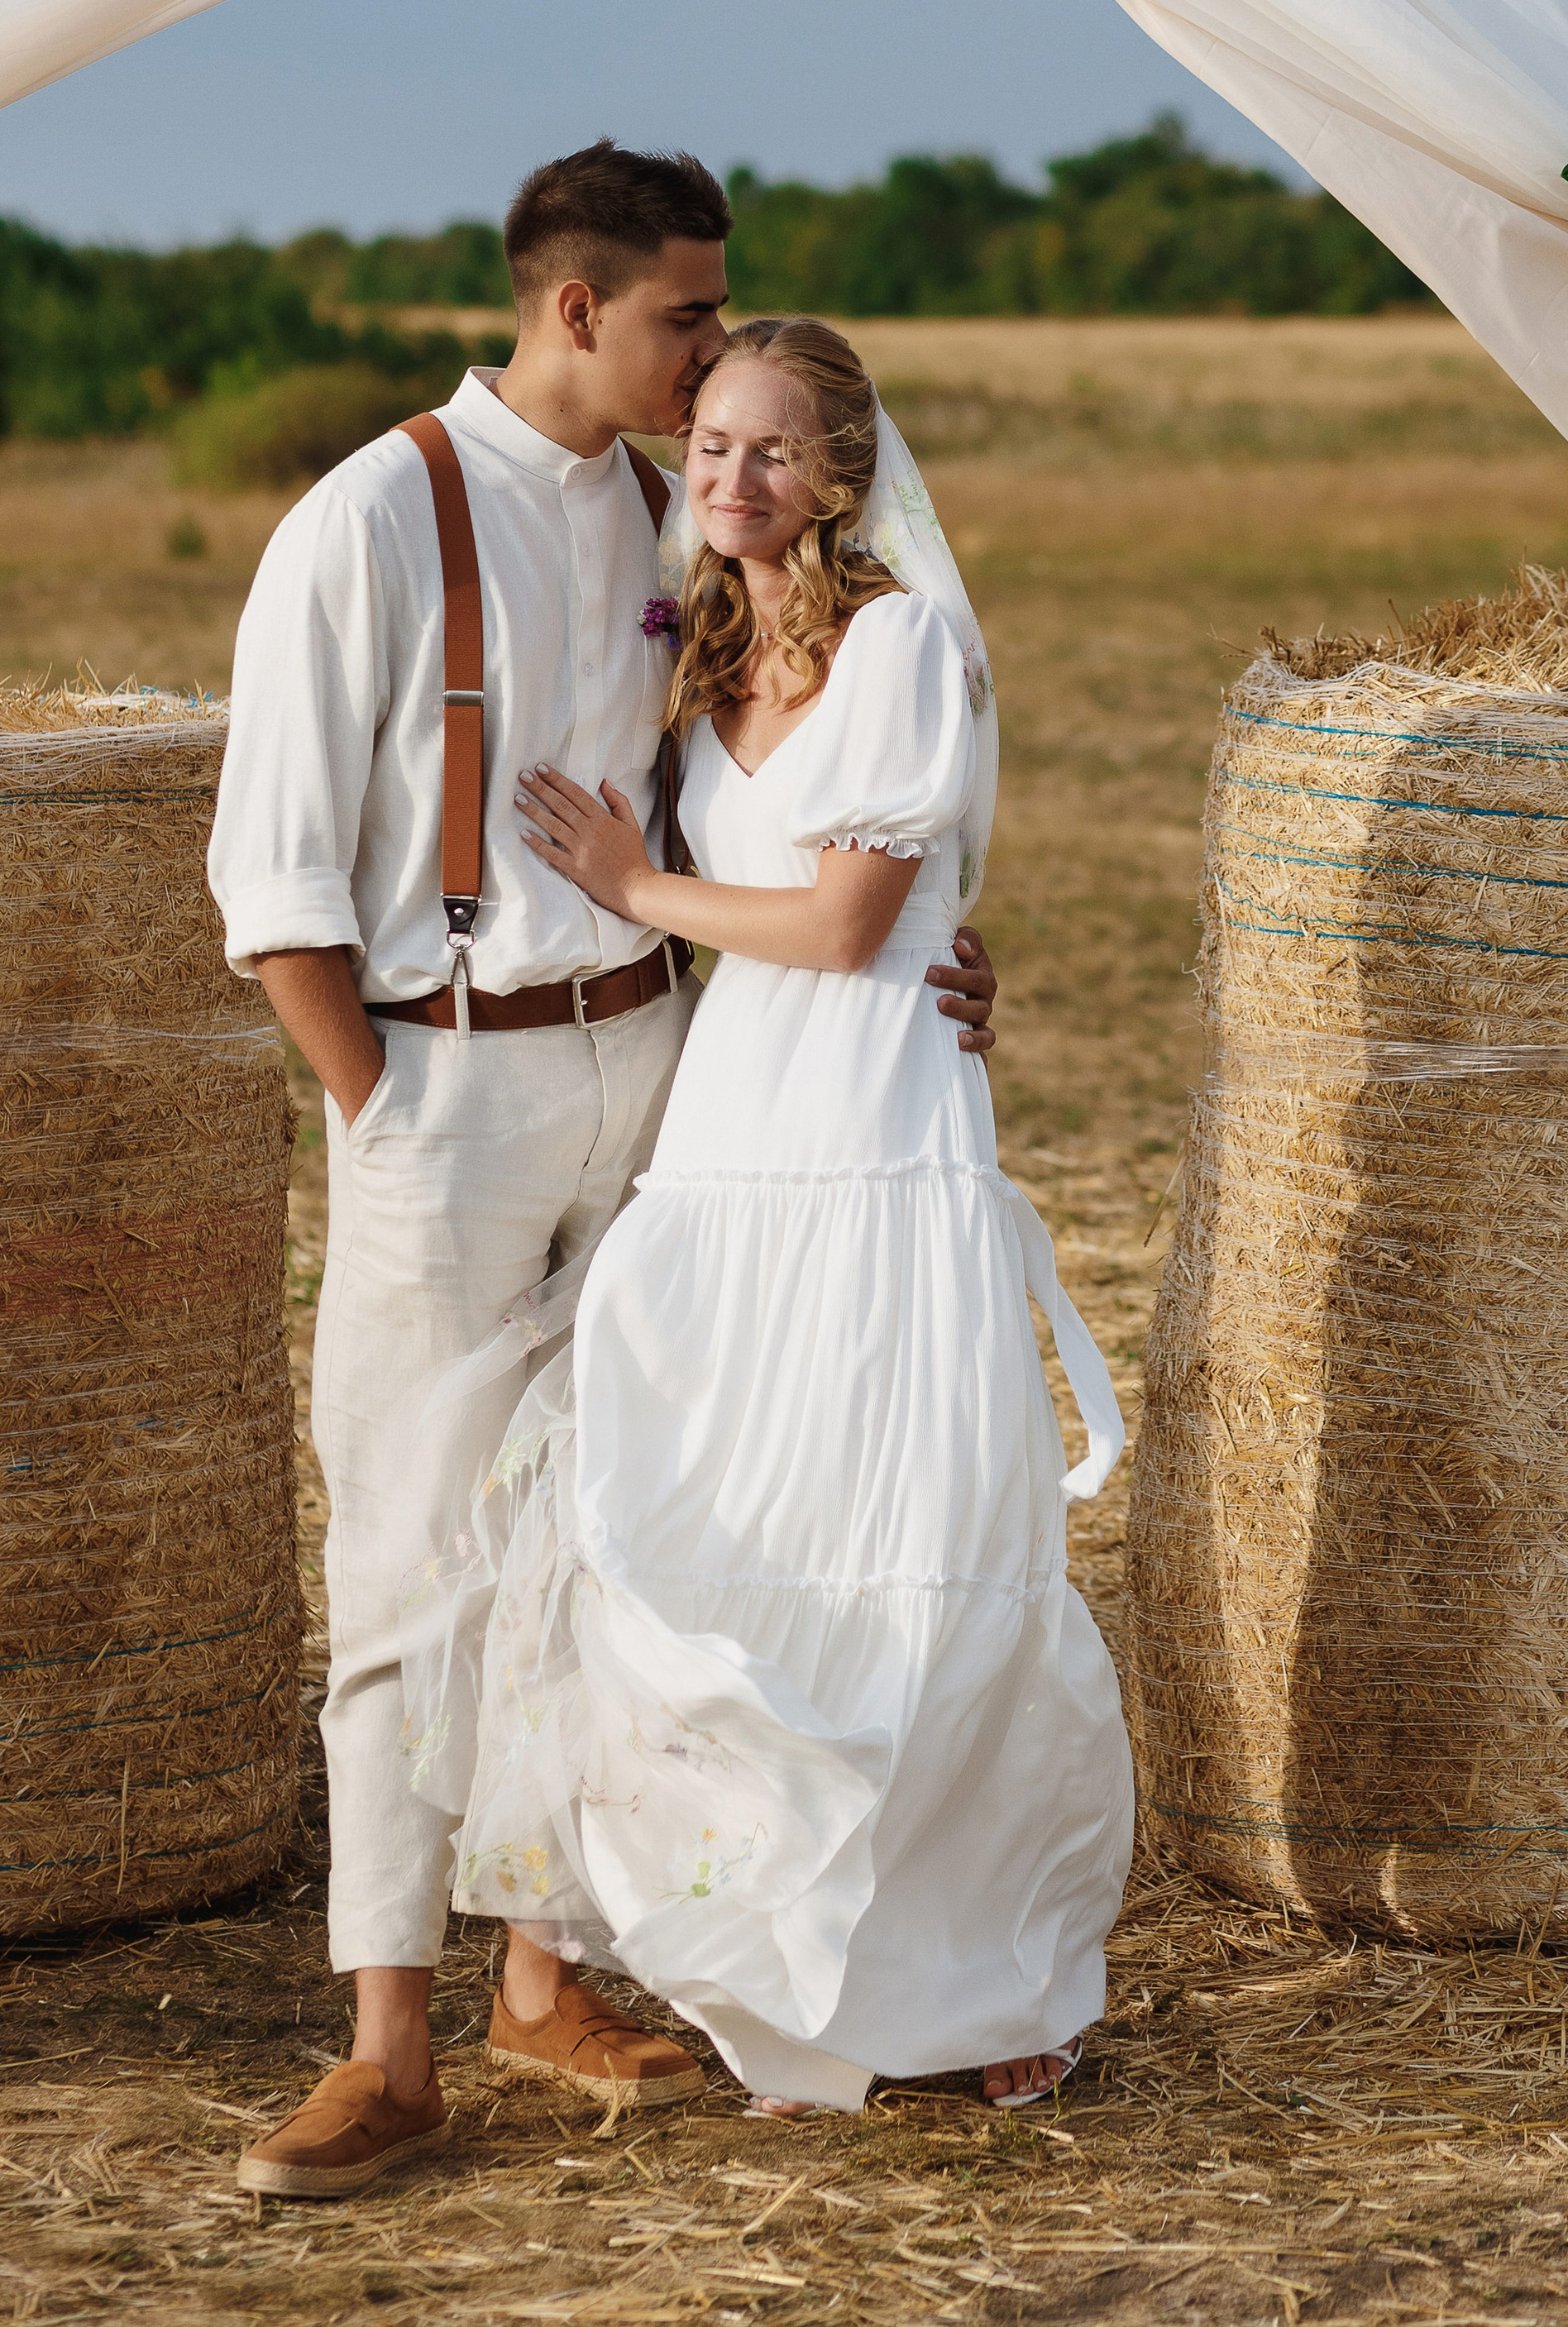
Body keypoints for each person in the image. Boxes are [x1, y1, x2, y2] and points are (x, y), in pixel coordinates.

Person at [210, 151, 1000, 2199]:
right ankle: (385, 2049)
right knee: (402, 1565)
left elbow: (808, 792)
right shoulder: (370, 519)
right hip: (444, 1096)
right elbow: (272, 886)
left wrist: (914, 949)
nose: (713, 353)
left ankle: (542, 1974)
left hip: (671, 1071)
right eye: (683, 319)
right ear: (576, 310)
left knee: (619, 1522)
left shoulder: (682, 506)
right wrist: (382, 1112)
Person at [402, 314, 1132, 2117]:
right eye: (711, 444)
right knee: (667, 1498)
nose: (730, 480)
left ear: (846, 475)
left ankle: (951, 1988)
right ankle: (607, 1954)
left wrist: (634, 879)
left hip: (874, 1135)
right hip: (731, 1131)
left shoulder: (901, 642)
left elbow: (844, 925)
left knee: (899, 1540)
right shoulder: (701, 645)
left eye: (774, 453)